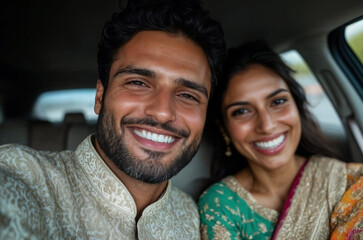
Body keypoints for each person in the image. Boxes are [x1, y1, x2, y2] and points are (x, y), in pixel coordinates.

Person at [0, 0, 226, 239]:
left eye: (188, 95)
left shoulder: (190, 215)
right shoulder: (22, 175)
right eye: (138, 83)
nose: (162, 112)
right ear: (100, 96)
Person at [198, 40, 363, 239]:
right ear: (224, 128)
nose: (266, 125)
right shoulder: (220, 205)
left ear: (297, 106)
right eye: (242, 111)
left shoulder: (353, 183)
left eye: (278, 102)